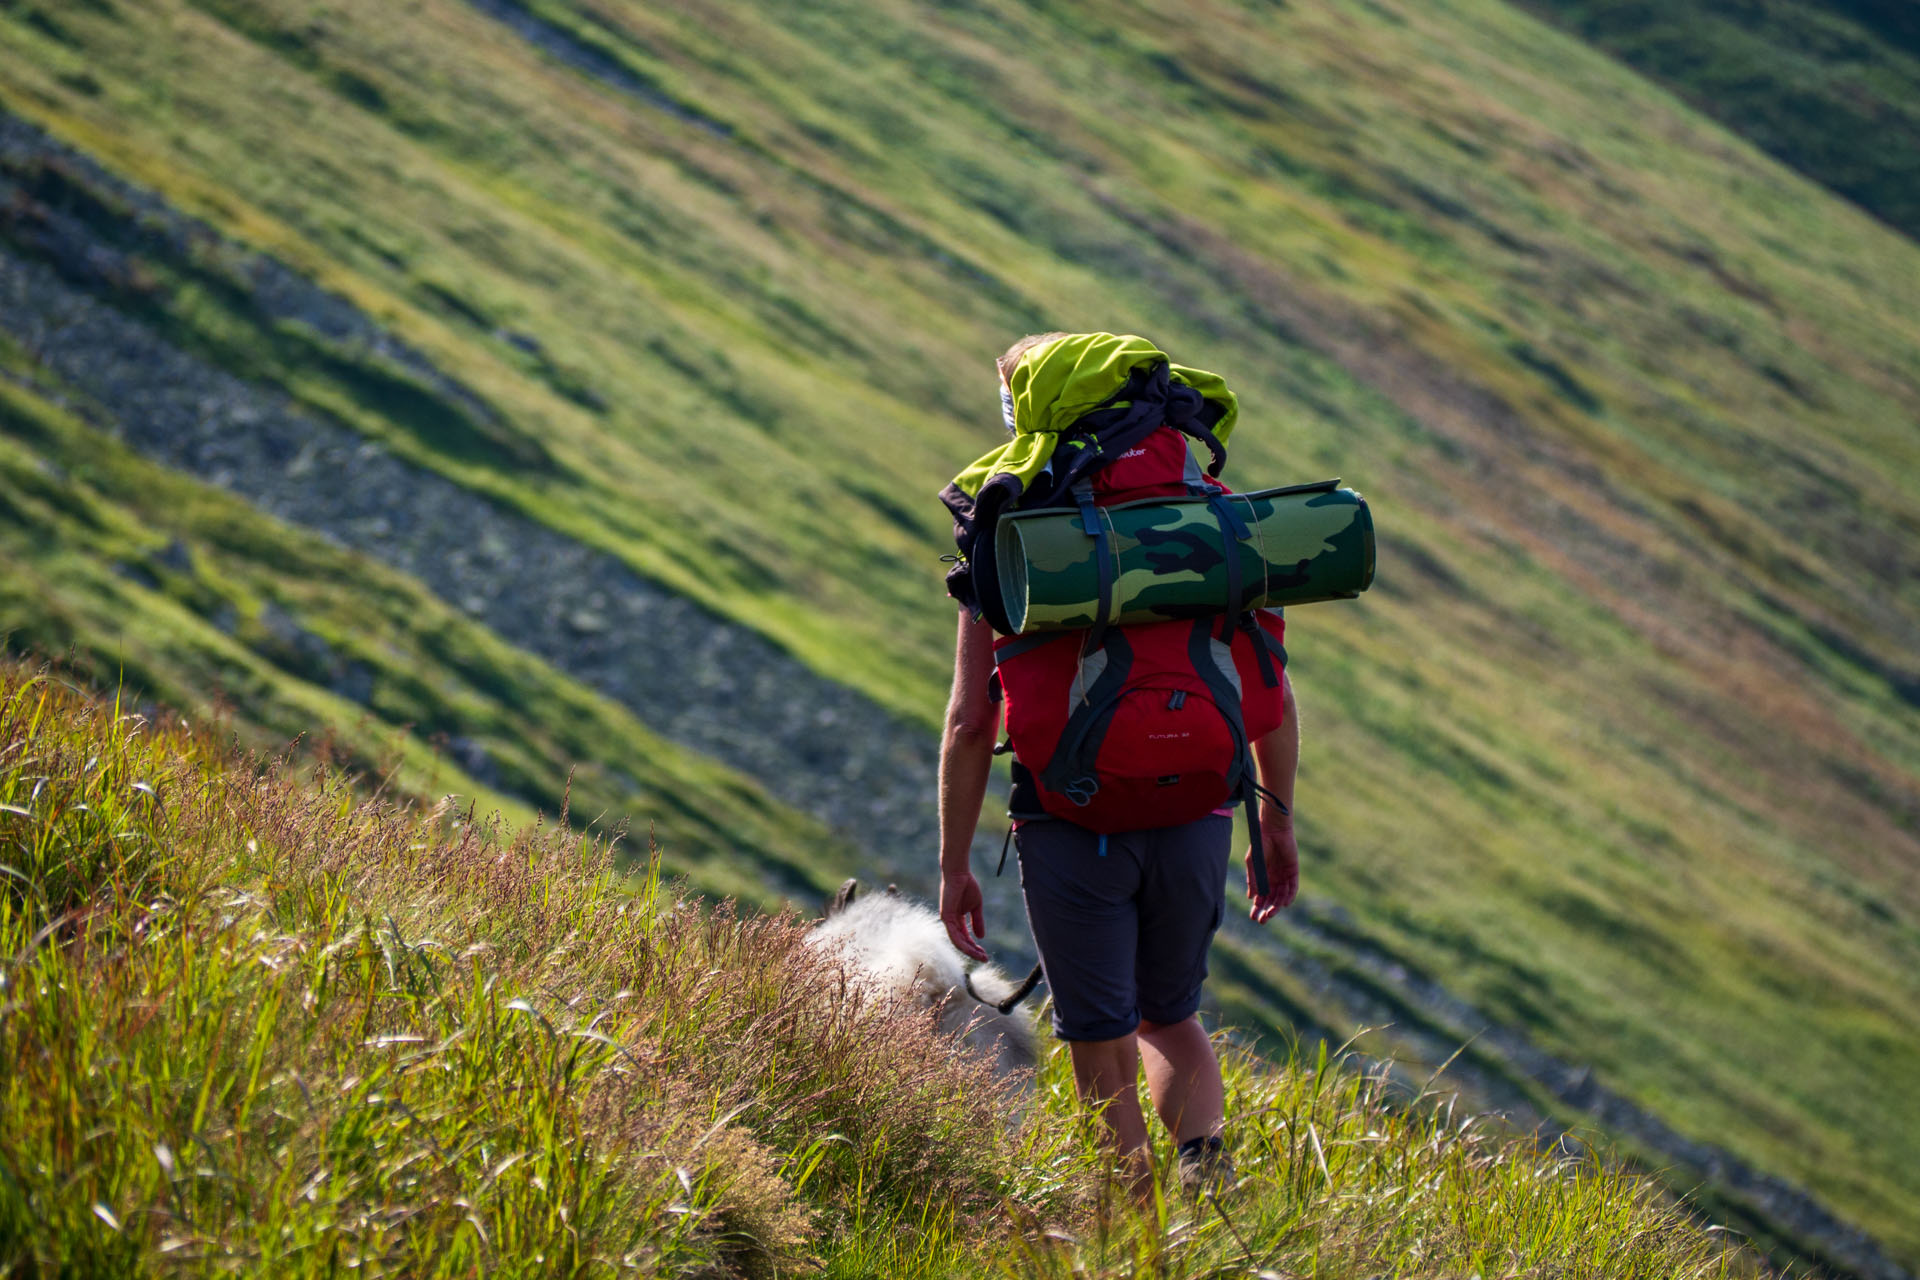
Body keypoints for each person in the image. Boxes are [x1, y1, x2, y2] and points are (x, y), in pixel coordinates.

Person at [936, 332, 1302, 1199]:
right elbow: (1271, 689)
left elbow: (967, 720)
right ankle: (1208, 1183)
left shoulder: (1014, 533)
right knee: (1170, 1017)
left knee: (1099, 1038)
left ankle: (1137, 1238)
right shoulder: (1217, 520)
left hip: (1072, 823)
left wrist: (955, 865)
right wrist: (1275, 821)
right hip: (1200, 812)